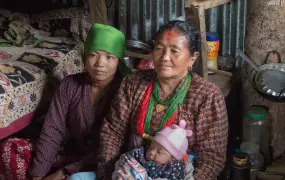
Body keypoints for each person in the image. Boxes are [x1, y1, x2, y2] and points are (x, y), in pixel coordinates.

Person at [97, 20, 228, 180]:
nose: (165, 57)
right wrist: (110, 173)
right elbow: (113, 131)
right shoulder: (133, 83)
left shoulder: (207, 96)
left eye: (174, 51)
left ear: (192, 58)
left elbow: (211, 158)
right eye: (159, 49)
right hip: (130, 171)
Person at [0, 23, 130, 180]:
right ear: (85, 55)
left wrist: (65, 172)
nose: (100, 64)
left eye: (109, 57)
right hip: (71, 152)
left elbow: (116, 145)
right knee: (10, 149)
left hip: (105, 161)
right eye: (93, 55)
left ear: (118, 61)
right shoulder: (70, 85)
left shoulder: (125, 90)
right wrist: (38, 174)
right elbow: (53, 130)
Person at [68, 120, 194, 180]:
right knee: (76, 178)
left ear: (172, 158)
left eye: (160, 152)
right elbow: (124, 161)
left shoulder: (175, 169)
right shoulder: (139, 153)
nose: (151, 152)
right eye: (151, 147)